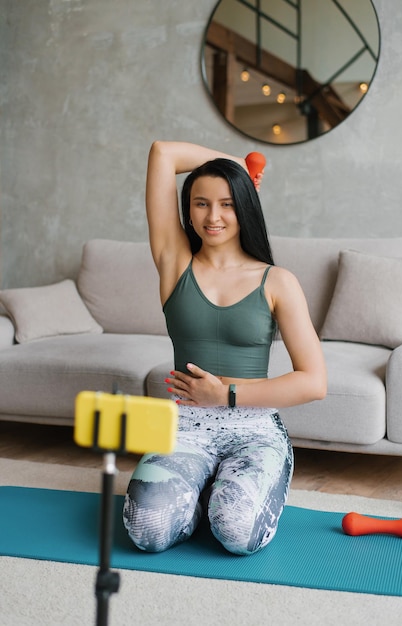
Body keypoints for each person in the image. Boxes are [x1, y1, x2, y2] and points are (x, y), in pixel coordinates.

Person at [123, 141, 327, 555]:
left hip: (254, 431)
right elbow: (162, 154)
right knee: (146, 531)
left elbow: (314, 382)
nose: (213, 216)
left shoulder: (278, 281)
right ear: (188, 209)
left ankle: (224, 495)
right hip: (185, 429)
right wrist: (234, 165)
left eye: (228, 204)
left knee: (236, 535)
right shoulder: (174, 261)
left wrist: (225, 394)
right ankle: (203, 493)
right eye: (200, 204)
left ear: (245, 207)